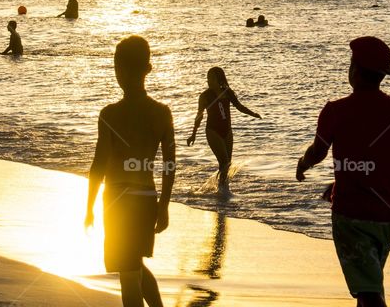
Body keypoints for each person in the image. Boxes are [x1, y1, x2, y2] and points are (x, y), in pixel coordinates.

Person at [295, 37, 390, 307]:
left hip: (352, 214)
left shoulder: (335, 110)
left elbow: (319, 152)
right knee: (369, 284)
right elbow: (380, 160)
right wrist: (340, 181)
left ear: (354, 70)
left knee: (368, 291)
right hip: (387, 213)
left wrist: (303, 163)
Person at [85, 36, 175, 307]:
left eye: (117, 67)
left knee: (128, 276)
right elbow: (169, 165)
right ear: (147, 68)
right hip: (146, 198)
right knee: (133, 264)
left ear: (119, 70)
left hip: (117, 201)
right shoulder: (162, 112)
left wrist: (89, 207)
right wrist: (164, 204)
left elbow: (98, 166)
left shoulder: (109, 114)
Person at [186, 67, 261, 191]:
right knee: (224, 162)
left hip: (227, 131)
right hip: (213, 131)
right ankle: (222, 191)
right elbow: (199, 116)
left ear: (219, 79)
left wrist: (253, 114)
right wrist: (193, 134)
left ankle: (222, 190)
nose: (208, 80)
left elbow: (239, 107)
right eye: (208, 78)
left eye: (212, 78)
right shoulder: (205, 96)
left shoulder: (227, 92)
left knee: (227, 164)